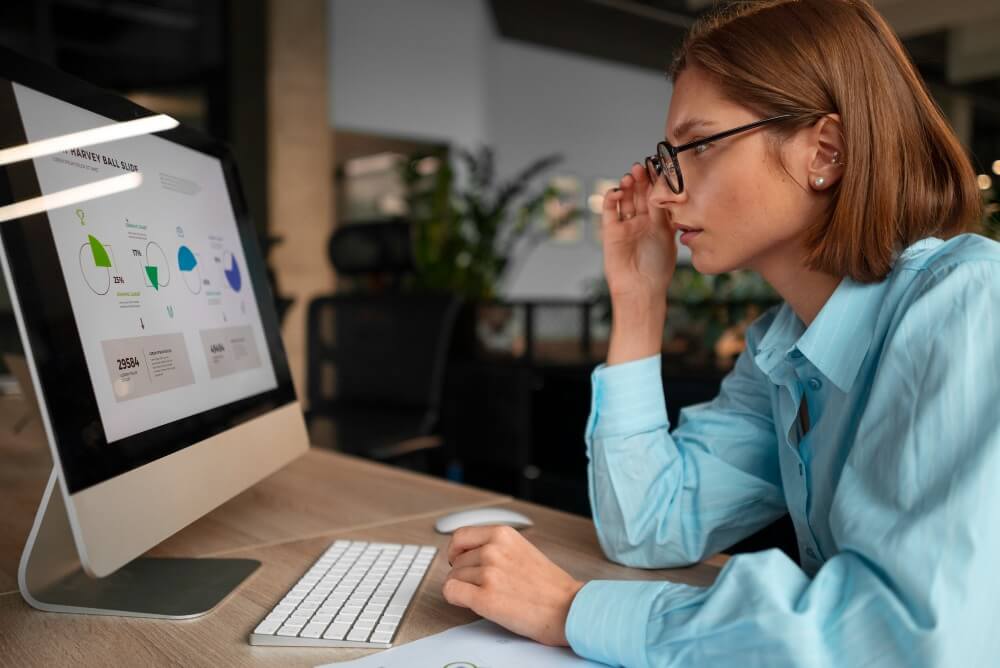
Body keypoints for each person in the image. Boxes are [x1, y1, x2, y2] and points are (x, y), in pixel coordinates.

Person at [441, 0, 1000, 665]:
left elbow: (908, 635)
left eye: (699, 145)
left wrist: (572, 609)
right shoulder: (786, 349)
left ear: (827, 151)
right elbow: (648, 527)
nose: (667, 191)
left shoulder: (969, 305)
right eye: (668, 155)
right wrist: (640, 300)